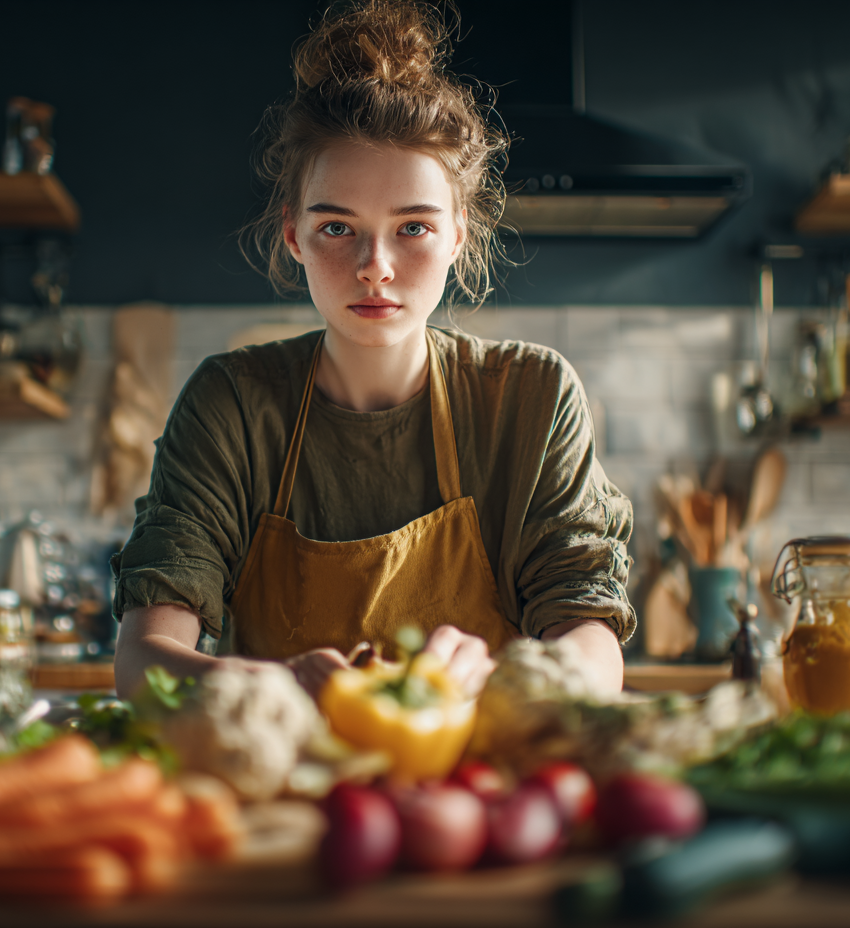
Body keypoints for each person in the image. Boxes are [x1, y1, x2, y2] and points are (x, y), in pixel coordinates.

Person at [112, 0, 634, 701]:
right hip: (279, 792)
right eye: (337, 228)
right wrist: (278, 684)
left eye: (412, 227)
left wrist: (511, 677)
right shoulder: (231, 404)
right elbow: (143, 663)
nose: (374, 266)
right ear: (294, 235)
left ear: (458, 235)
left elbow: (590, 638)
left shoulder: (532, 396)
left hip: (478, 792)